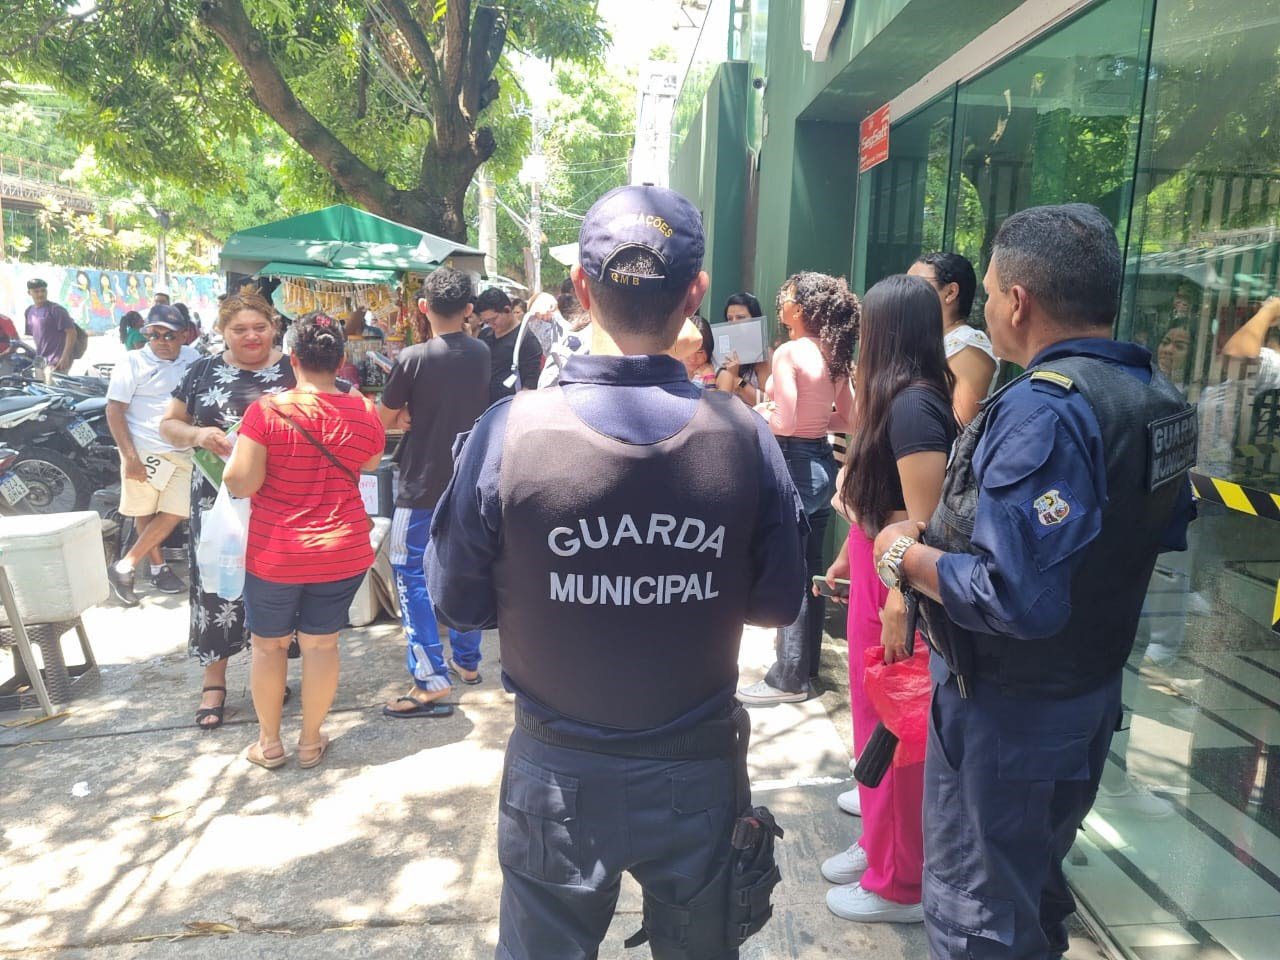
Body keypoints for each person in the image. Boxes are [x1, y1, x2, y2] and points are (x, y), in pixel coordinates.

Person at [426, 183, 807, 960]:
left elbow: (456, 602)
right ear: (696, 294)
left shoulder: (512, 434)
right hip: (695, 772)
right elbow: (776, 603)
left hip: (557, 774)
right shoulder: (743, 437)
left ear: (581, 288)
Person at [871, 204, 1195, 959]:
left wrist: (904, 558)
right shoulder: (1156, 396)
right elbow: (1149, 532)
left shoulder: (1044, 413)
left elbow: (1014, 594)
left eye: (988, 290)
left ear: (1019, 300)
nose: (986, 305)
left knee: (980, 918)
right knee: (1031, 899)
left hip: (1010, 714)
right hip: (1082, 699)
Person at [817, 275, 957, 923]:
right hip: (879, 573)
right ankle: (880, 849)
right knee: (874, 725)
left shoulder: (915, 405)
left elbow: (925, 523)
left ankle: (902, 882)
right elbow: (882, 505)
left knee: (898, 731)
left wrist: (900, 594)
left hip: (901, 586)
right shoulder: (896, 398)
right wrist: (853, 554)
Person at [223, 311, 385, 770]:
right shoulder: (364, 411)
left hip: (277, 554)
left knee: (268, 646)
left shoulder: (268, 410)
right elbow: (370, 464)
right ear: (340, 359)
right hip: (343, 549)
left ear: (292, 358)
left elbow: (241, 484)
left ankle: (270, 744)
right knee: (321, 645)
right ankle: (311, 742)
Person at [160, 292, 297, 730]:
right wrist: (198, 435)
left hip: (279, 498)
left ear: (274, 326)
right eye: (239, 329)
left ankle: (274, 673)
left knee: (276, 583)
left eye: (259, 327)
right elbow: (169, 424)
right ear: (222, 331)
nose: (251, 336)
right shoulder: (200, 372)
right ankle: (214, 681)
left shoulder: (294, 370)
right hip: (215, 500)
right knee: (216, 583)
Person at [736, 272, 857, 705]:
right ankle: (804, 669)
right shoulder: (834, 353)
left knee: (791, 568)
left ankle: (787, 678)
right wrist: (811, 422)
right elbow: (849, 419)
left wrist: (758, 412)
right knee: (810, 568)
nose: (780, 303)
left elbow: (783, 421)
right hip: (821, 463)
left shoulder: (789, 352)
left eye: (785, 297)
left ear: (801, 308)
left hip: (792, 462)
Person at [378, 268, 490, 718]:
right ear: (468, 310)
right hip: (468, 480)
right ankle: (467, 662)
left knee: (411, 576)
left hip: (421, 483)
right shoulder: (482, 352)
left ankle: (428, 678)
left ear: (424, 308)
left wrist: (405, 414)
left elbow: (383, 419)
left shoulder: (413, 357)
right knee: (466, 567)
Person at [104, 305, 199, 605]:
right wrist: (130, 457)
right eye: (153, 334)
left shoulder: (194, 359)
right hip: (143, 448)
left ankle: (124, 565)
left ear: (184, 335)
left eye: (169, 335)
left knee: (177, 510)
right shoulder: (132, 362)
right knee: (145, 511)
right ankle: (158, 567)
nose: (161, 341)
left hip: (182, 448)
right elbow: (114, 410)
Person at [908, 252, 998, 425]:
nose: (904, 293)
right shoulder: (928, 341)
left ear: (950, 292)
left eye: (915, 285)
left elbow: (958, 426)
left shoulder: (967, 343)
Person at [475, 287, 542, 403]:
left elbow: (530, 384)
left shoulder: (527, 341)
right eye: (486, 322)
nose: (491, 325)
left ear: (507, 310)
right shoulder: (484, 335)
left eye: (493, 319)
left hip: (508, 408)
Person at [715, 292, 772, 405]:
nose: (734, 323)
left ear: (755, 319)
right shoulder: (722, 350)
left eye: (740, 317)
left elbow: (767, 402)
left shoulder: (764, 354)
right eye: (730, 319)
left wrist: (736, 379)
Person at [24, 278, 78, 373]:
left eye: (43, 291)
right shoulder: (29, 312)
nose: (40, 294)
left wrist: (65, 356)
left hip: (56, 361)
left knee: (52, 387)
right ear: (29, 293)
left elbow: (71, 332)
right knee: (39, 387)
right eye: (36, 291)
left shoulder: (56, 310)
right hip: (40, 362)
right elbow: (38, 337)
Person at [684, 313, 718, 388]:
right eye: (688, 351)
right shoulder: (670, 371)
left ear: (709, 350)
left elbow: (714, 400)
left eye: (700, 352)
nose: (693, 359)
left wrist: (710, 379)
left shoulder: (722, 375)